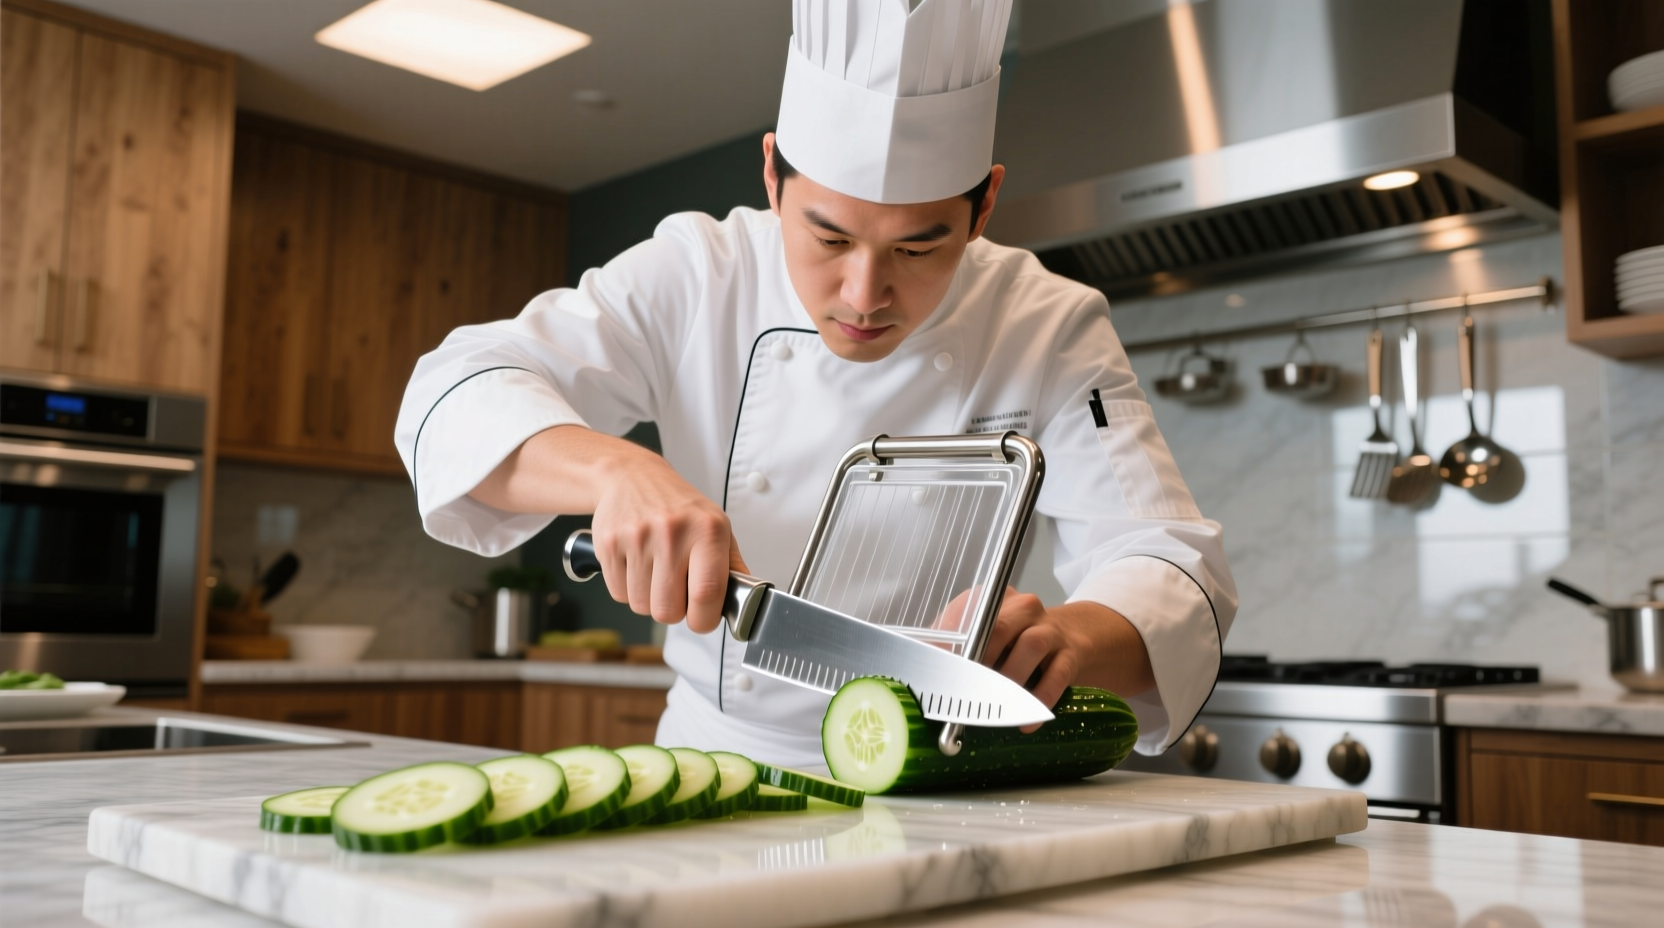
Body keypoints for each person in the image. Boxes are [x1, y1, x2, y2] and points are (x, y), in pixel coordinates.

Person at [396, 0, 1235, 769]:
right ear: (771, 177)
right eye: (827, 239)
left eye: (917, 249)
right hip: (714, 760)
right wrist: (615, 472)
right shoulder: (696, 274)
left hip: (930, 772)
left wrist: (1069, 639)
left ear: (984, 210)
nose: (864, 295)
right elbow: (455, 391)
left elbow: (1167, 559)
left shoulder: (1047, 323)